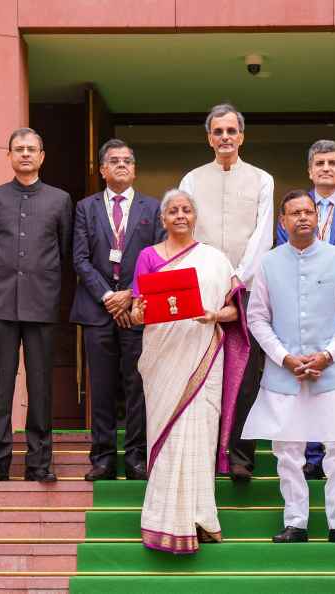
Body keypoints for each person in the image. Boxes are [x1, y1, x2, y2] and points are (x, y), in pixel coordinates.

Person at [130, 189, 251, 554]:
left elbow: (234, 312)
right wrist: (138, 313)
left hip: (204, 355)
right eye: (172, 211)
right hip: (164, 358)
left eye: (186, 210)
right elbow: (140, 309)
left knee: (200, 434)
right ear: (163, 219)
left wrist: (214, 315)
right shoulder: (148, 257)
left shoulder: (214, 259)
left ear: (194, 217)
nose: (179, 215)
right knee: (167, 437)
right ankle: (164, 521)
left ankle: (200, 517)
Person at [243, 189, 335, 545]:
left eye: (309, 211)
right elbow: (258, 318)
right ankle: (295, 521)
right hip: (285, 372)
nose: (303, 217)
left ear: (317, 217)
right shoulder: (267, 263)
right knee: (287, 451)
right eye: (295, 212)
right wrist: (284, 357)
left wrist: (329, 354)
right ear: (282, 221)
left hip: (333, 370)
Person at [178, 103, 274, 482]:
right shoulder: (191, 179)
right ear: (209, 138)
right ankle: (202, 456)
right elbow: (185, 232)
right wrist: (210, 278)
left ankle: (240, 458)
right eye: (218, 132)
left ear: (242, 136)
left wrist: (236, 277)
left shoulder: (262, 180)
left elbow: (262, 235)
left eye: (231, 131)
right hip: (200, 291)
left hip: (245, 289)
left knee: (245, 377)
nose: (225, 138)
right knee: (202, 373)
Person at [0, 128, 73, 483]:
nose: (26, 154)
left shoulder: (60, 200)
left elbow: (64, 252)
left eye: (32, 149)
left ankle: (39, 464)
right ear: (9, 156)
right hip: (1, 305)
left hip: (42, 305)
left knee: (40, 385)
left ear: (42, 156)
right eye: (19, 149)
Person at [276, 140, 335, 482]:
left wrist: (333, 293)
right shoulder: (295, 208)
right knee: (304, 384)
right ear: (309, 170)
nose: (326, 168)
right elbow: (284, 254)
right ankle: (311, 457)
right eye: (319, 163)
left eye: (333, 162)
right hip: (300, 315)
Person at [70, 139, 164, 482]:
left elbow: (158, 258)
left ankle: (137, 456)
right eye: (114, 160)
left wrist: (130, 295)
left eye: (127, 160)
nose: (121, 165)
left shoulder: (153, 209)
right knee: (103, 386)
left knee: (137, 385)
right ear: (102, 169)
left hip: (138, 310)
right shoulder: (85, 208)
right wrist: (109, 297)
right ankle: (104, 457)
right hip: (98, 312)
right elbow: (79, 258)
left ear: (135, 169)